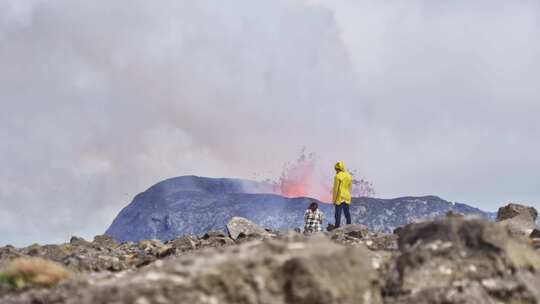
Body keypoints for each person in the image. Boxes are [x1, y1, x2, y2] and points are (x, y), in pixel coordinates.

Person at [332, 161, 352, 228]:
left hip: (339, 197)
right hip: (347, 197)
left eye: (336, 169)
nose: (335, 171)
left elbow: (335, 189)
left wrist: (334, 200)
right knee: (347, 213)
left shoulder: (337, 177)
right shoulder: (349, 176)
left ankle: (337, 227)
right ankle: (349, 227)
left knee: (337, 214)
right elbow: (350, 188)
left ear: (337, 169)